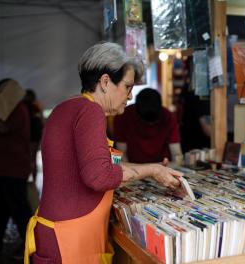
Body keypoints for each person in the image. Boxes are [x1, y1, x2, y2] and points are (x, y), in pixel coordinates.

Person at [25, 42, 183, 264]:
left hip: (59, 231)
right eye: (128, 87)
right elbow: (99, 176)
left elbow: (100, 165)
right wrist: (151, 170)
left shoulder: (67, 107)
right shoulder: (90, 111)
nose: (129, 96)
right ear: (105, 81)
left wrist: (155, 169)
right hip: (70, 239)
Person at [0, 79, 32, 258]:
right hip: (8, 168)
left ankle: (31, 246)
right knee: (4, 208)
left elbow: (3, 128)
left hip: (13, 168)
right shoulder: (15, 108)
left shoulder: (16, 110)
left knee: (19, 209)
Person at [114, 88, 182, 163]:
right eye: (145, 122)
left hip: (162, 167)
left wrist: (178, 169)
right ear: (136, 112)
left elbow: (176, 153)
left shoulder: (168, 117)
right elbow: (119, 153)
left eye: (154, 123)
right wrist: (128, 172)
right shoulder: (122, 116)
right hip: (133, 168)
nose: (150, 126)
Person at [23, 89, 44, 182]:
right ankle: (34, 180)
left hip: (28, 137)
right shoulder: (37, 107)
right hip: (35, 137)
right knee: (33, 159)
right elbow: (42, 122)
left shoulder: (24, 107)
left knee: (27, 159)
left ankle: (27, 180)